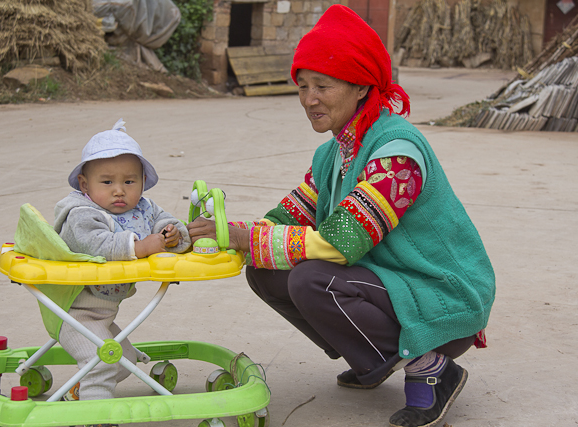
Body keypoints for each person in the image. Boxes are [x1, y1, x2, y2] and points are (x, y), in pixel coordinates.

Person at [187, 5, 495, 427]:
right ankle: (375, 357)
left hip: (440, 295)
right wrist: (221, 231)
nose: (309, 99)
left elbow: (338, 243)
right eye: (302, 86)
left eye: (323, 86)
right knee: (265, 269)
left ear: (362, 87)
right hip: (393, 285)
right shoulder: (333, 153)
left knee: (312, 278)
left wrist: (243, 239)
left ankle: (432, 368)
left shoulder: (396, 152)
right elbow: (289, 216)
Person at [51, 119, 191, 418]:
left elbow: (164, 220)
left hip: (103, 312)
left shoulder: (143, 208)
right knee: (103, 360)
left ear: (142, 182)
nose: (119, 191)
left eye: (129, 182)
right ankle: (95, 418)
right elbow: (96, 243)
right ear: (84, 185)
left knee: (125, 357)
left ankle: (79, 392)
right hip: (71, 311)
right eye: (107, 182)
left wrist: (173, 234)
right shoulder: (81, 213)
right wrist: (140, 248)